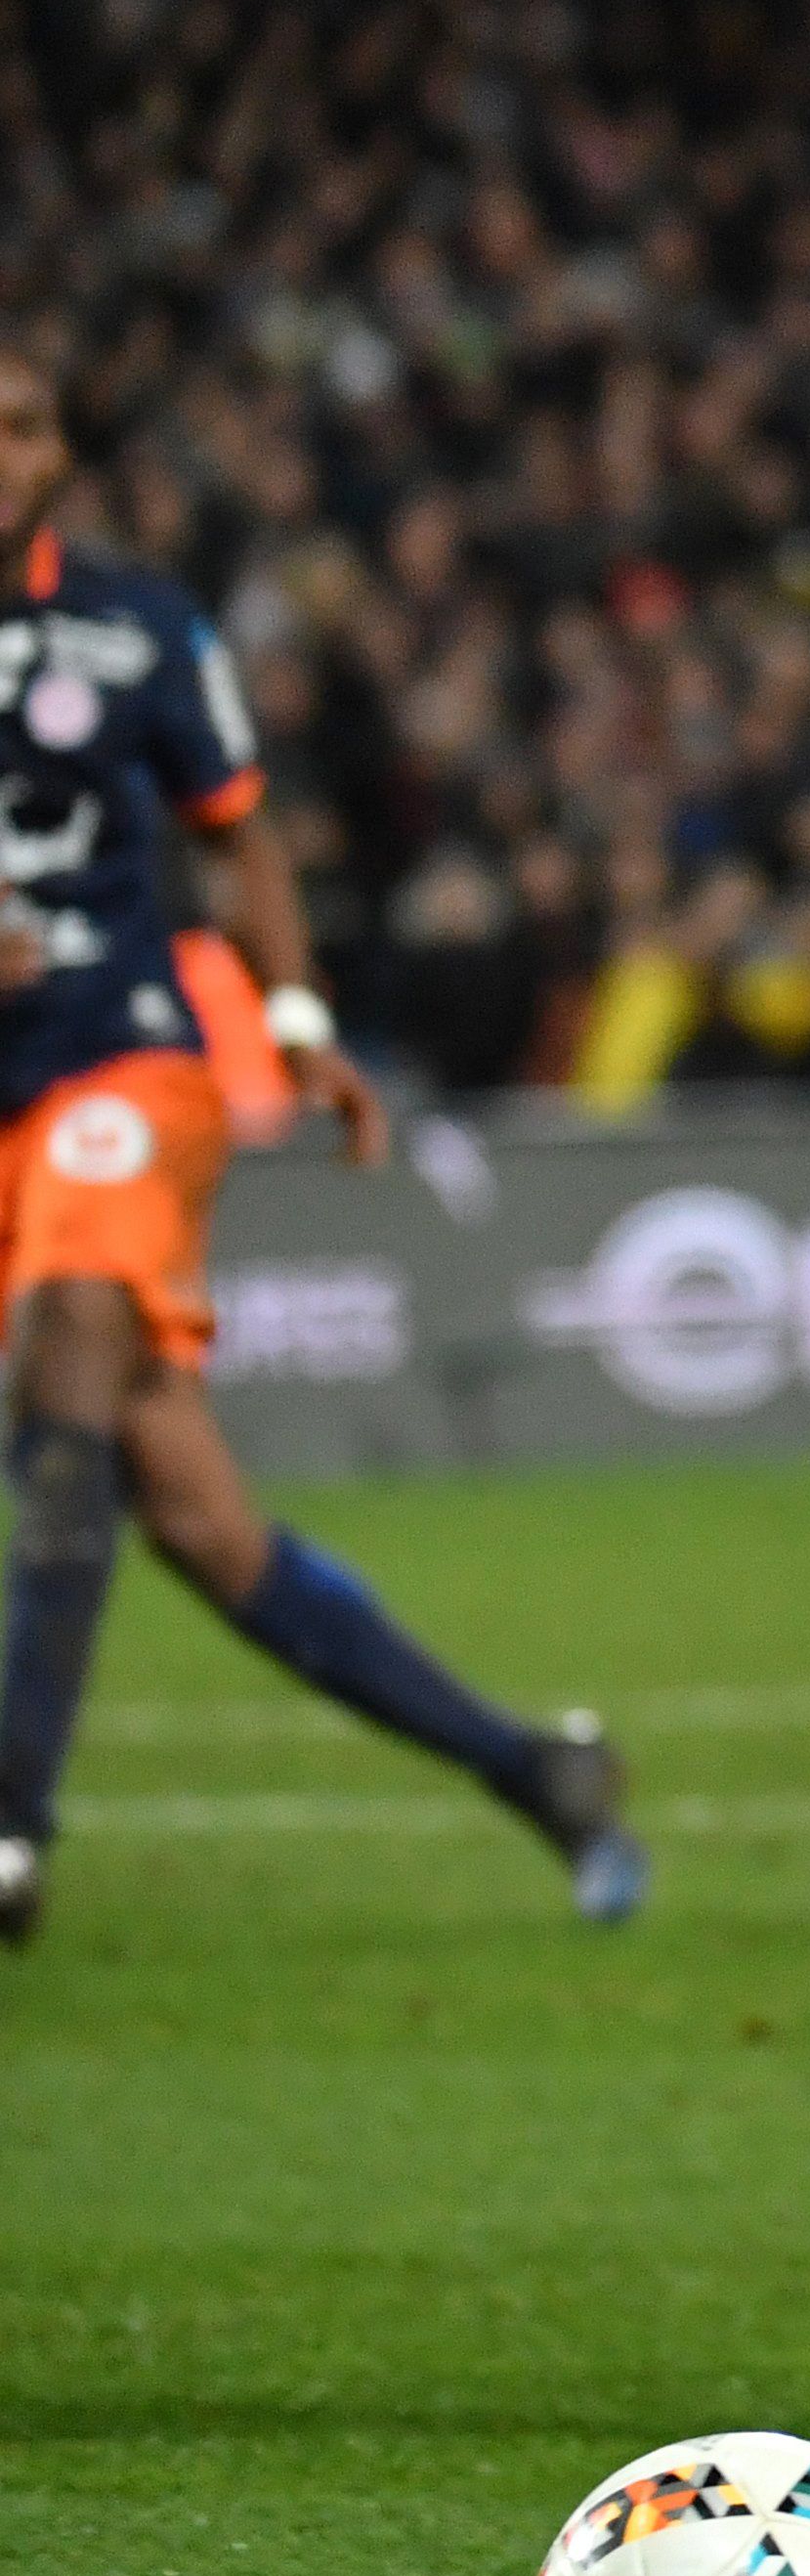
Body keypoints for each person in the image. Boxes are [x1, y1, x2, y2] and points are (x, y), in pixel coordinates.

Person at [0, 348, 642, 1948]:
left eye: (18, 418)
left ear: (61, 448)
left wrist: (291, 1024)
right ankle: (535, 1772)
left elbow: (237, 832)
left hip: (117, 1060)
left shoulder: (141, 625)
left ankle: (9, 1820)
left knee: (74, 1319)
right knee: (200, 1521)